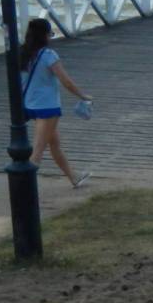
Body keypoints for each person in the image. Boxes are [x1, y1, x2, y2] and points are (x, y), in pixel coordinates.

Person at [19, 17, 92, 187]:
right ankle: (24, 189)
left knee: (54, 144)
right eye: (50, 34)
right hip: (47, 107)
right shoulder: (48, 55)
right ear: (44, 35)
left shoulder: (22, 53)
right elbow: (66, 81)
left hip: (30, 105)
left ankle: (74, 177)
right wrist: (82, 96)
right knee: (37, 152)